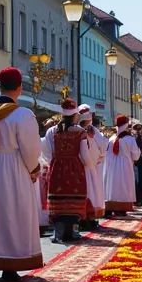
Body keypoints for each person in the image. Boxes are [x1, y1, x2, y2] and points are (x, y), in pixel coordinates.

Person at [0, 68, 43, 280]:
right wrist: (33, 168)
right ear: (20, 88)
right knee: (12, 214)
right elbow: (31, 148)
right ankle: (9, 265)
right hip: (14, 168)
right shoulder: (22, 114)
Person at [45, 99, 97, 244]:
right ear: (75, 115)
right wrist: (90, 164)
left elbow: (47, 151)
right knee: (75, 195)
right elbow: (85, 155)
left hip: (57, 167)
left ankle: (58, 231)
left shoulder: (52, 131)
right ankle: (74, 230)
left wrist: (54, 162)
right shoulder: (80, 132)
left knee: (58, 196)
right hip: (74, 167)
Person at [103, 115, 140, 216]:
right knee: (123, 185)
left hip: (111, 167)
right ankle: (121, 208)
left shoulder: (111, 138)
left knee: (111, 185)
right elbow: (136, 156)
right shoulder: (130, 139)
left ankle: (109, 206)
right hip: (124, 167)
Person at [78, 105, 107, 231]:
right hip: (82, 166)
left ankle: (91, 217)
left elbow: (102, 143)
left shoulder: (93, 130)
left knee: (93, 192)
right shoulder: (79, 130)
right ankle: (83, 218)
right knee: (87, 192)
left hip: (91, 166)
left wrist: (99, 157)